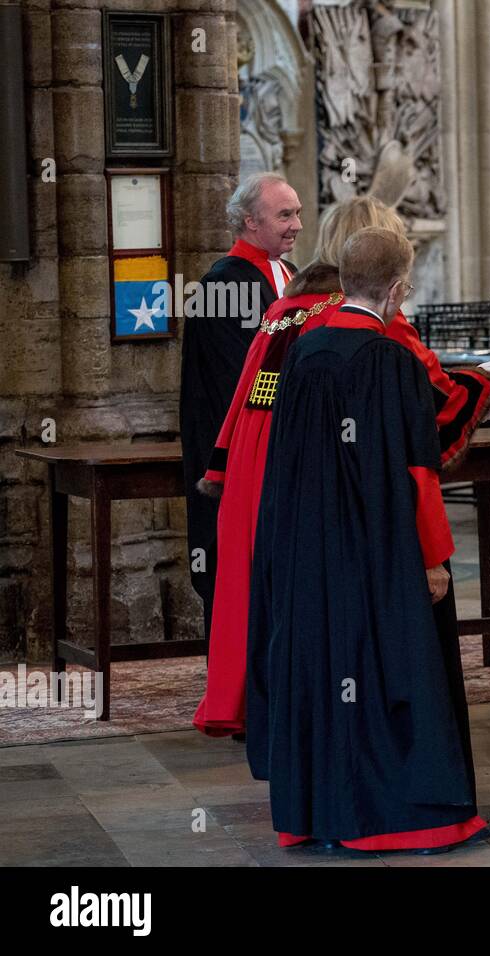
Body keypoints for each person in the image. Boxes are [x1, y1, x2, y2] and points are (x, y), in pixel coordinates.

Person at [191, 196, 490, 738]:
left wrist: (223, 466)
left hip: (258, 452)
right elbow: (430, 401)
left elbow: (247, 389)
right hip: (328, 466)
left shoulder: (287, 304)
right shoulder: (362, 313)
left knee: (266, 584)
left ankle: (262, 704)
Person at [246, 227, 488, 852]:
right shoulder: (392, 361)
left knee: (325, 667)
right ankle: (399, 820)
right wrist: (433, 559)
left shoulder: (303, 347)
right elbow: (418, 472)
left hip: (307, 544)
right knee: (387, 670)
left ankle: (318, 816)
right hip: (377, 548)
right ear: (399, 289)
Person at [181, 172, 300, 641]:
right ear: (250, 221)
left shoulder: (288, 275)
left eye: (298, 213)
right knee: (234, 574)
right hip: (238, 454)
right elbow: (249, 380)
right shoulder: (222, 285)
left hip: (278, 452)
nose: (297, 225)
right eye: (285, 214)